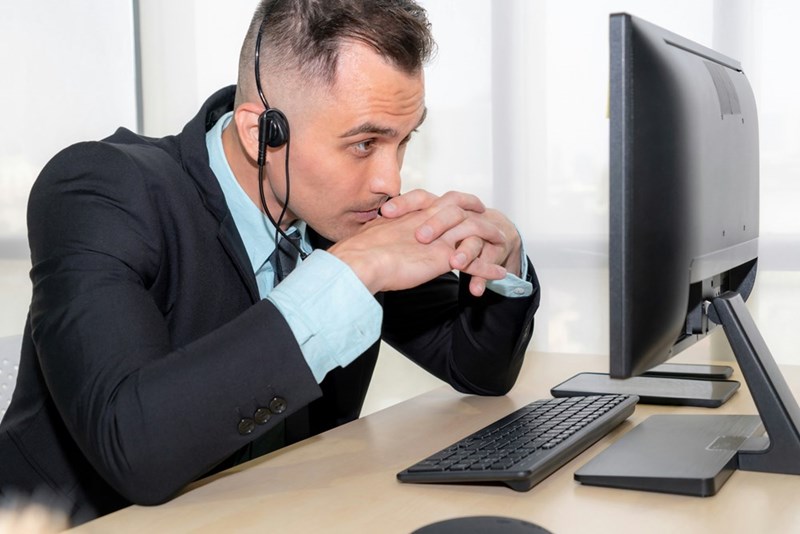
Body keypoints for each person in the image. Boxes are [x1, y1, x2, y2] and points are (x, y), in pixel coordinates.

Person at [0, 0, 540, 525]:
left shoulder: (334, 213)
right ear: (264, 133)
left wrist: (502, 260)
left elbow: (476, 369)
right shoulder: (102, 189)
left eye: (402, 142)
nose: (389, 182)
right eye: (364, 144)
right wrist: (348, 274)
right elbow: (133, 447)